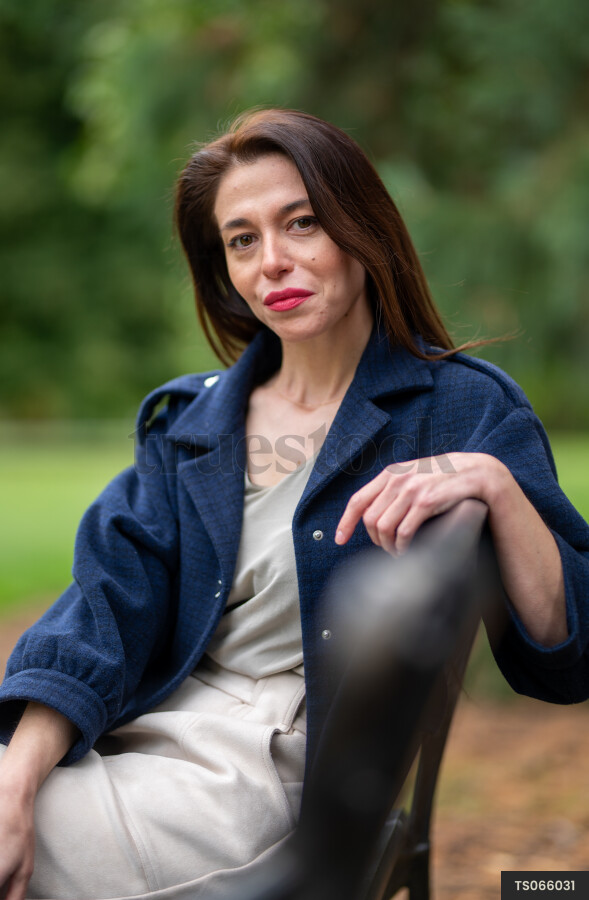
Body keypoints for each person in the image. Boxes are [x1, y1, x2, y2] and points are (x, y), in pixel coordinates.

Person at [1, 108, 588, 900]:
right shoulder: (188, 425)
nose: (272, 261)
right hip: (139, 734)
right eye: (242, 239)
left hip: (271, 777)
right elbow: (104, 604)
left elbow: (568, 659)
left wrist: (498, 487)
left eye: (301, 223)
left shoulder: (460, 411)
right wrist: (17, 772)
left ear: (362, 229)